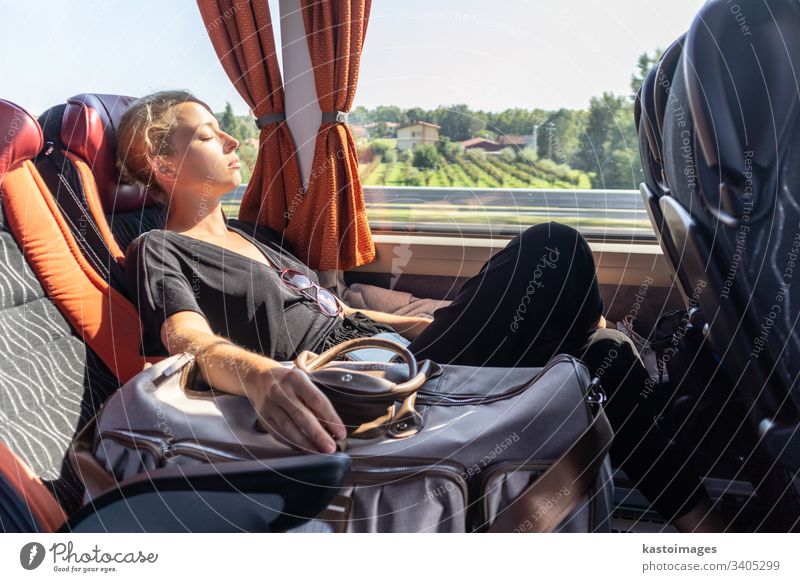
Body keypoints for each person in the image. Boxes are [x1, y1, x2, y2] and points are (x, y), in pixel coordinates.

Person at [118, 90, 727, 532]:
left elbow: (340, 311)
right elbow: (185, 340)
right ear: (163, 165)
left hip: (400, 352)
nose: (229, 139)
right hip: (362, 383)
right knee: (556, 248)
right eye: (204, 134)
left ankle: (708, 534)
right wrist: (259, 376)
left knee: (607, 355)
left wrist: (433, 322)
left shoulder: (260, 236)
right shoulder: (161, 249)